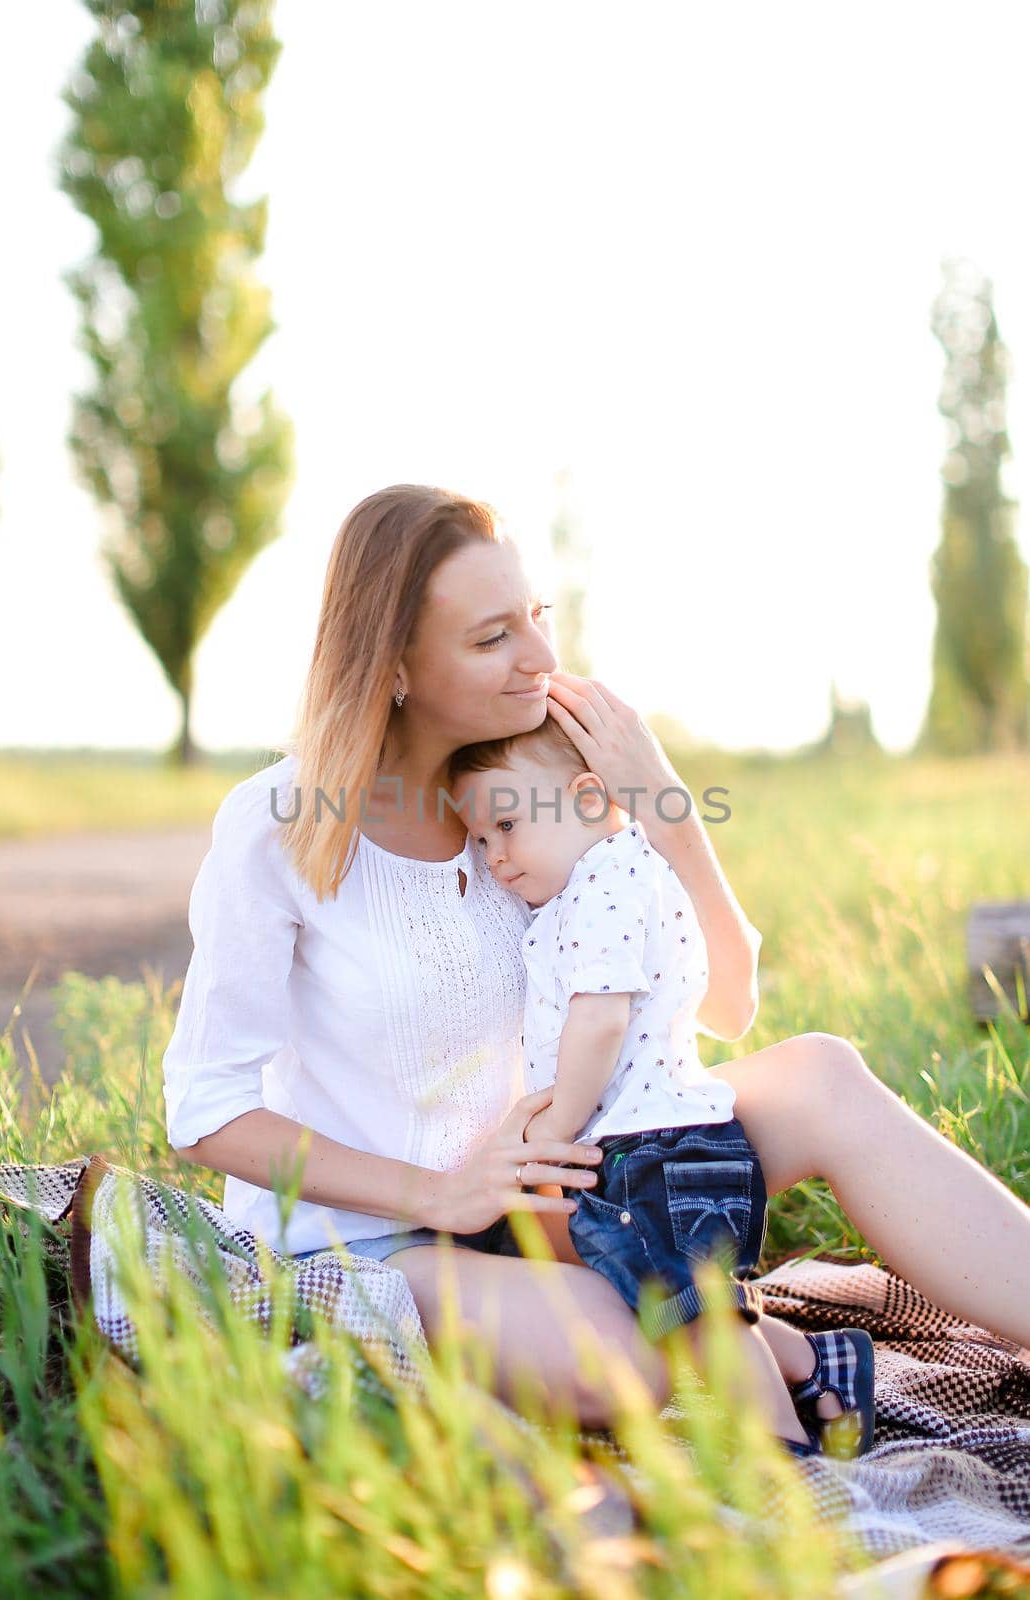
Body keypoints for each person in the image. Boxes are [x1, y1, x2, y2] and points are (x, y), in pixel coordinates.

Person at [163, 483, 1030, 1442]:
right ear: (395, 663)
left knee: (819, 1071)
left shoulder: (528, 789)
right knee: (612, 1357)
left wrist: (662, 805)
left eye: (535, 617)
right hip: (376, 1233)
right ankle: (771, 1350)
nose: (541, 657)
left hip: (557, 1180)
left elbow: (732, 1008)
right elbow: (207, 1110)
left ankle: (794, 1333)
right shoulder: (278, 825)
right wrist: (440, 1193)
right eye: (491, 638)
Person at [446, 715, 875, 1456]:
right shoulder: (583, 884)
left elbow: (600, 1021)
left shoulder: (607, 881)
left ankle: (780, 1454)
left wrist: (553, 1131)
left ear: (587, 799)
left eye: (508, 825)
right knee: (660, 1292)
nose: (495, 857)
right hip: (642, 1143)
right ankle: (820, 1366)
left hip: (660, 1148)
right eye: (481, 841)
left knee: (698, 1308)